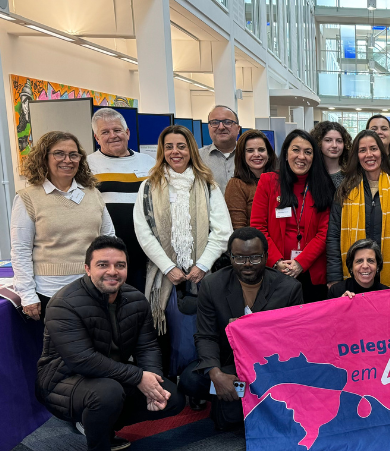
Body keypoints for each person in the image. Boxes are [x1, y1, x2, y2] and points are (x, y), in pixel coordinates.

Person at [36, 236, 185, 451]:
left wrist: (152, 380)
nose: (112, 272)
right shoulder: (63, 303)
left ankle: (103, 430)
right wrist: (138, 377)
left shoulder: (136, 299)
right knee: (108, 392)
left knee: (171, 397)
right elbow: (82, 360)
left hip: (111, 376)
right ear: (87, 268)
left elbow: (147, 345)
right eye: (103, 265)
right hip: (62, 380)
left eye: (120, 265)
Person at [179, 228, 302, 429]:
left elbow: (294, 341)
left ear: (266, 256)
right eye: (239, 258)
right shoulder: (212, 284)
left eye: (254, 258)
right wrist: (216, 375)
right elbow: (205, 335)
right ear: (230, 257)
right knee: (190, 380)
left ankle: (236, 400)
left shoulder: (289, 288)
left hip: (270, 367)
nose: (246, 264)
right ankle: (244, 399)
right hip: (231, 366)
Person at [133, 125, 233, 374]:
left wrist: (202, 265)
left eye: (181, 146)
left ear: (191, 150)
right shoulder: (148, 187)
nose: (175, 152)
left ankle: (199, 383)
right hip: (164, 276)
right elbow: (143, 234)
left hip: (203, 275)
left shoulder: (208, 185)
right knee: (167, 331)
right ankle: (172, 383)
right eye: (169, 147)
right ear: (161, 150)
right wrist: (168, 268)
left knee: (204, 330)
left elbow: (223, 231)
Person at [11, 131, 115, 321]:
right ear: (44, 157)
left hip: (94, 289)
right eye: (59, 153)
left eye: (73, 154)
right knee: (61, 350)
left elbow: (109, 239)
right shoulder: (28, 198)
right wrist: (27, 294)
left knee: (99, 348)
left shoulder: (92, 193)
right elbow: (20, 250)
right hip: (50, 293)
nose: (67, 160)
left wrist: (110, 281)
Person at [250, 130, 335, 303]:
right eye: (296, 150)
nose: (301, 156)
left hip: (312, 272)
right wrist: (276, 261)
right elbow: (258, 226)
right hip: (275, 271)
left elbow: (325, 231)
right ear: (286, 153)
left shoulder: (323, 185)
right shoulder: (268, 182)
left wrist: (301, 263)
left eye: (308, 152)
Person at [326, 130, 390, 288]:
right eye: (362, 150)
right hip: (352, 279)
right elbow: (333, 237)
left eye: (373, 149)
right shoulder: (344, 191)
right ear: (357, 155)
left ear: (382, 152)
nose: (369, 154)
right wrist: (334, 279)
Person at [87, 108, 155, 292]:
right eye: (105, 132)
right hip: (107, 250)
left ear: (127, 133)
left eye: (117, 130)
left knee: (141, 298)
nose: (112, 136)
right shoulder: (87, 165)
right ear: (97, 137)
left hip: (144, 248)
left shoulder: (148, 162)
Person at [225, 130, 275, 230]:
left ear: (268, 154)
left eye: (261, 150)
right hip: (254, 243)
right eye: (250, 150)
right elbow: (238, 230)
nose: (256, 154)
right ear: (242, 155)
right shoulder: (237, 185)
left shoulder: (278, 181)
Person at [199, 105, 241, 195]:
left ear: (238, 129)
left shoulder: (251, 156)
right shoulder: (197, 158)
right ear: (208, 128)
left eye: (228, 122)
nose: (221, 127)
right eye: (214, 122)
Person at [311, 120, 352, 188]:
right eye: (328, 140)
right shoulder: (311, 172)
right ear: (318, 142)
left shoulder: (351, 173)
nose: (334, 145)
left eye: (339, 141)